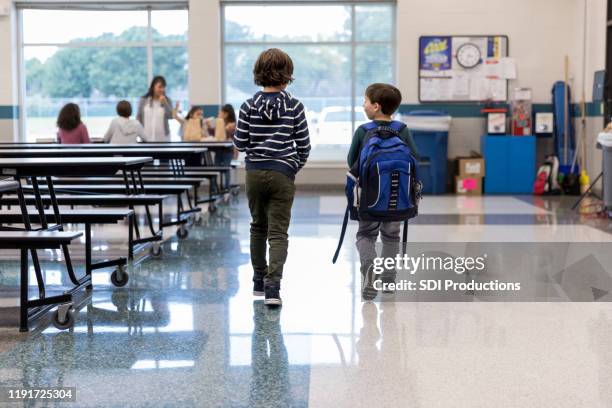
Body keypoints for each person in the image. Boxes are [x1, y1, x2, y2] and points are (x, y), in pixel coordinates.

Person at [234, 48, 310, 306]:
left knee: (257, 226)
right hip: (283, 172)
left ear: (258, 74)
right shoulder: (295, 106)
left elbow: (241, 143)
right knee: (278, 232)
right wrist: (291, 167)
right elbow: (304, 145)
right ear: (288, 75)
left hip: (254, 172)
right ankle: (273, 289)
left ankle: (257, 280)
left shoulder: (247, 105)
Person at [347, 83, 419, 300]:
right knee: (391, 237)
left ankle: (369, 270)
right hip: (397, 198)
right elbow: (414, 158)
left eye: (366, 101)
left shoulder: (363, 131)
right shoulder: (402, 129)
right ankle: (389, 279)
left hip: (369, 198)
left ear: (376, 106)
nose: (363, 104)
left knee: (366, 234)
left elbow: (352, 162)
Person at [136, 76, 174, 142]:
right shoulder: (144, 100)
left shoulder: (167, 100)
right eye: (160, 87)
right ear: (153, 87)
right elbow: (138, 118)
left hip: (163, 138)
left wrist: (165, 103)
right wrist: (139, 134)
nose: (162, 90)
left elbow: (170, 116)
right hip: (146, 138)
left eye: (163, 87)